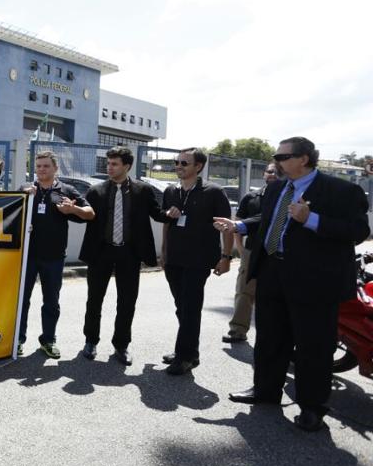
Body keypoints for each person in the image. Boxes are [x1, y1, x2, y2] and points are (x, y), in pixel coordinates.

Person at [216, 137, 369, 431]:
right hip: (273, 271)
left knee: (314, 346)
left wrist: (312, 219)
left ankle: (312, 407)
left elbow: (358, 230)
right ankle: (265, 392)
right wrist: (240, 225)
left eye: (282, 156)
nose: (276, 161)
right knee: (270, 338)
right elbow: (269, 218)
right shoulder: (277, 188)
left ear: (304, 158)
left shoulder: (341, 190)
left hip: (315, 280)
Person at [78, 146, 170, 365]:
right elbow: (84, 216)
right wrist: (69, 210)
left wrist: (171, 213)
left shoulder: (143, 190)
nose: (109, 168)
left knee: (127, 301)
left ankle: (121, 345)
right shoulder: (96, 191)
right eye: (108, 164)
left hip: (130, 252)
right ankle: (90, 341)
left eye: (114, 164)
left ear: (127, 166)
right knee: (94, 300)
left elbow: (157, 214)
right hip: (101, 252)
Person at [158, 148, 233, 375]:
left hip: (199, 260)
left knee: (190, 308)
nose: (178, 166)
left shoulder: (214, 192)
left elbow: (227, 226)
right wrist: (163, 251)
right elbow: (167, 223)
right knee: (182, 307)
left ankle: (184, 356)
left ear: (198, 166)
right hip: (174, 259)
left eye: (184, 163)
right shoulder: (171, 190)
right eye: (176, 162)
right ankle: (190, 351)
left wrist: (227, 257)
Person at [17, 151, 95, 358]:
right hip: (27, 257)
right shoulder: (26, 189)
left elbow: (90, 213)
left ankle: (48, 340)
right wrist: (25, 198)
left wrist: (72, 210)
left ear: (55, 169)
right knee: (22, 300)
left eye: (46, 166)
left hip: (54, 257)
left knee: (51, 301)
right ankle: (18, 339)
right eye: (38, 166)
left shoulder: (66, 190)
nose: (41, 169)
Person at [225, 162, 279, 343]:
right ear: (264, 174)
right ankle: (237, 330)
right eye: (270, 171)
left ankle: (271, 336)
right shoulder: (250, 197)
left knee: (273, 295)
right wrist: (240, 249)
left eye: (277, 172)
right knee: (244, 291)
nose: (272, 175)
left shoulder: (288, 197)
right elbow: (238, 224)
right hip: (251, 252)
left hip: (278, 254)